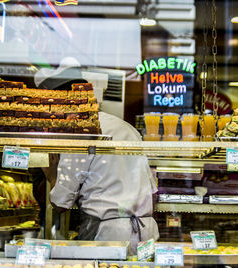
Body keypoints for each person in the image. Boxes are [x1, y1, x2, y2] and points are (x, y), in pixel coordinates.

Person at [38, 58, 159, 254]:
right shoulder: (126, 127)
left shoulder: (80, 132)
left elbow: (61, 202)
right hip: (146, 232)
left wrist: (52, 175)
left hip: (107, 235)